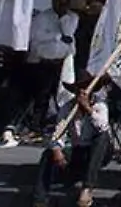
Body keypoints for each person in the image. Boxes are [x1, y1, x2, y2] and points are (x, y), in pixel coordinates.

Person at [32, 70, 111, 207]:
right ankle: (40, 200)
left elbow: (103, 127)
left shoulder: (100, 105)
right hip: (79, 150)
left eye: (85, 87)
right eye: (79, 88)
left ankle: (87, 188)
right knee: (48, 154)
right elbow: (58, 132)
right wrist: (56, 148)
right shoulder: (67, 108)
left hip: (98, 151)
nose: (81, 91)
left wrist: (88, 108)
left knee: (102, 137)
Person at [27, 0, 78, 131]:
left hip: (63, 63)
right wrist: (55, 36)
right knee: (42, 95)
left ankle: (62, 126)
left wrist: (63, 16)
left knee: (63, 95)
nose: (59, 3)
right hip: (45, 62)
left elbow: (68, 34)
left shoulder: (72, 17)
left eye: (62, 0)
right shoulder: (42, 18)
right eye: (57, 0)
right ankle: (36, 125)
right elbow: (35, 36)